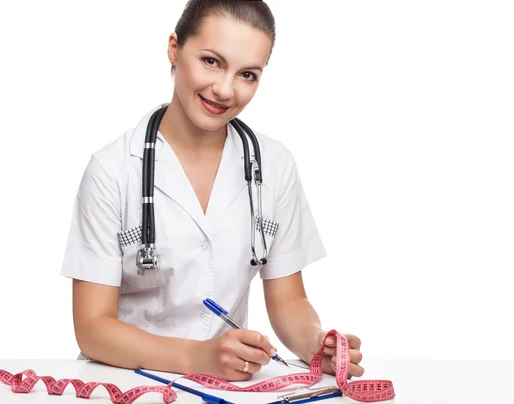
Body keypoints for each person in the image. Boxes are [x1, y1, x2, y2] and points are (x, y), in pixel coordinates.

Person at [60, 0, 364, 382]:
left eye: (248, 74)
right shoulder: (112, 169)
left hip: (230, 385)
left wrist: (315, 343)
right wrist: (196, 357)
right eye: (211, 61)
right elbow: (92, 328)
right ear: (174, 48)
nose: (224, 89)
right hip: (128, 380)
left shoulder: (274, 164)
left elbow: (289, 301)